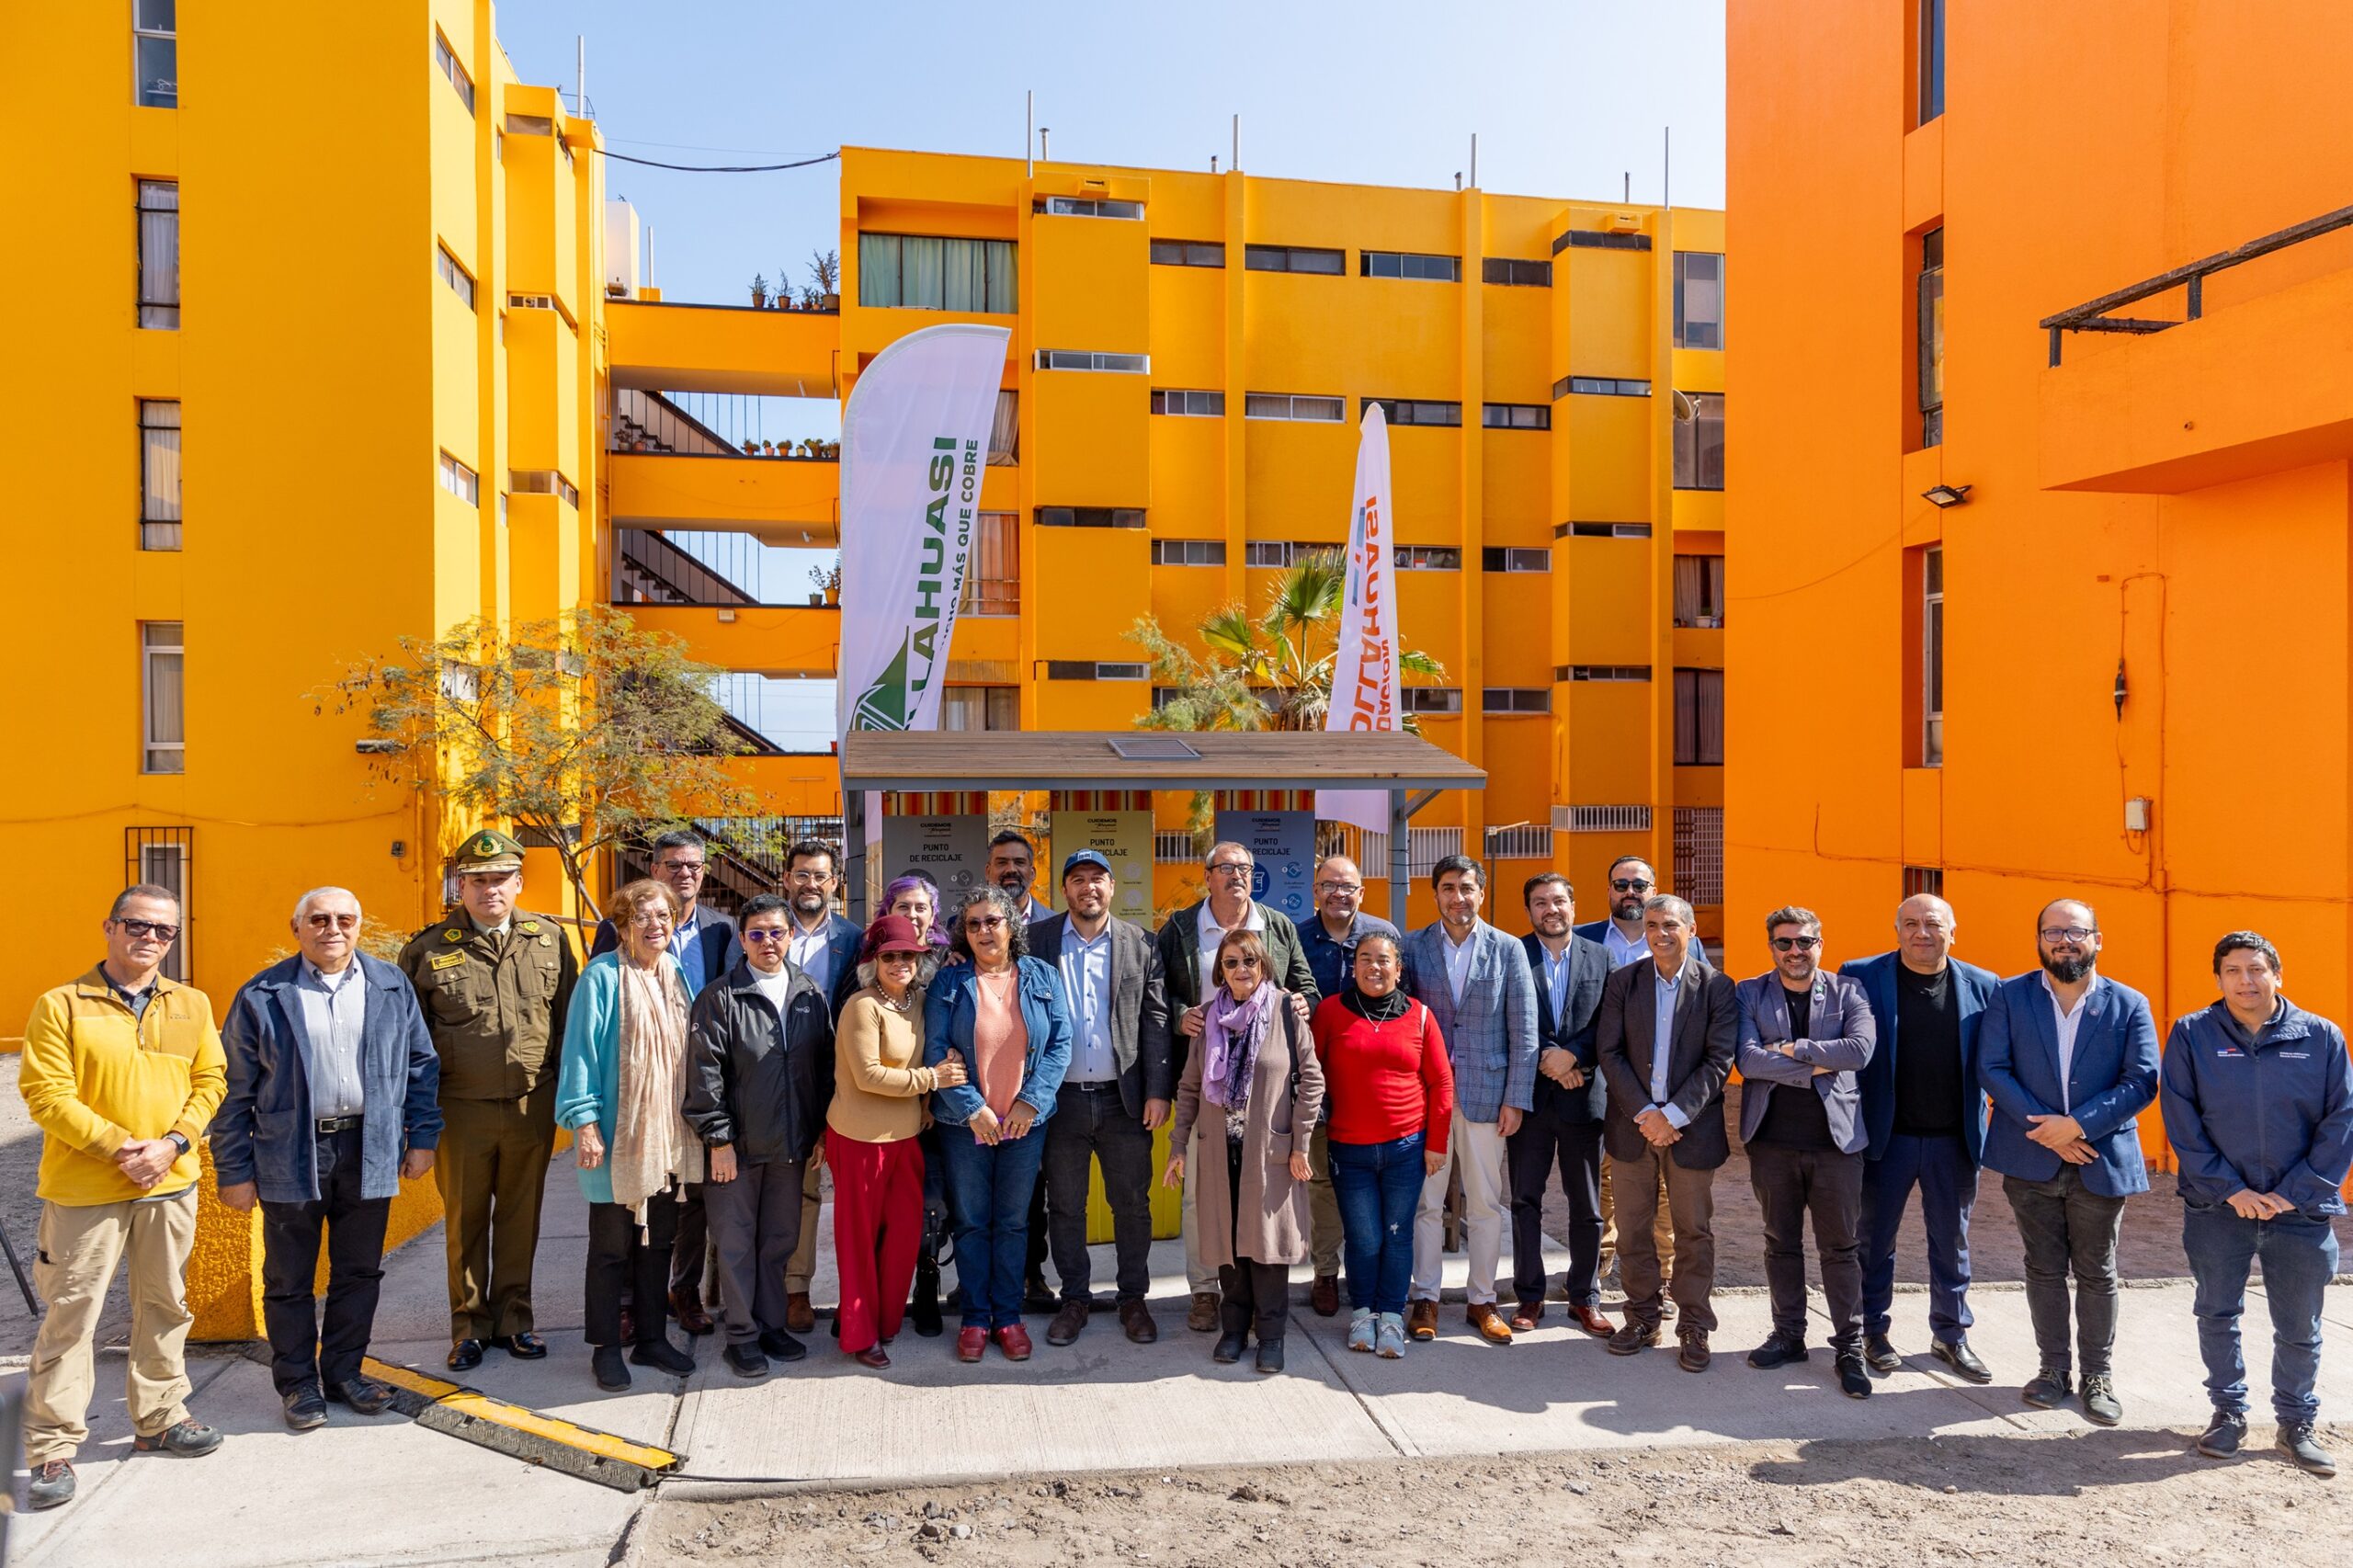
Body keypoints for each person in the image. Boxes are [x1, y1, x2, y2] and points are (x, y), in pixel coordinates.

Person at [18, 886, 227, 1510]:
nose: (150, 938)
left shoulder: (191, 1003)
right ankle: (53, 1446)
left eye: (164, 930)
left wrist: (172, 1143)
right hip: (85, 1192)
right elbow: (46, 1095)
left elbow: (210, 1080)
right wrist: (119, 1148)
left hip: (169, 1184)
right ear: (110, 927)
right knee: (71, 1316)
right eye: (137, 925)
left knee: (165, 1304)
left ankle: (160, 1419)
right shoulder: (61, 1004)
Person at [215, 887, 441, 1430]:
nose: (332, 928)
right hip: (290, 1152)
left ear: (360, 926)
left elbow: (421, 1065)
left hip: (370, 1146)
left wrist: (423, 1136)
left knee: (359, 1272)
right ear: (297, 927)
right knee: (289, 1278)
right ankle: (297, 1386)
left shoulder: (390, 984)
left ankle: (343, 1373)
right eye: (318, 919)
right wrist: (234, 1170)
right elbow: (234, 1089)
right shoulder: (262, 995)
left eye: (345, 918)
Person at [2160, 932, 2351, 1476]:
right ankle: (2228, 1413)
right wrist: (2231, 1190)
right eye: (2233, 971)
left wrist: (2293, 1193)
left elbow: (2342, 1121)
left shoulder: (2321, 1037)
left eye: (2256, 969)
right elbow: (2181, 1119)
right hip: (2217, 1209)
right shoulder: (2193, 1034)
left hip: (2302, 1213)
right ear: (2218, 979)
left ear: (2277, 974)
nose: (2246, 980)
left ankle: (2297, 1423)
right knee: (2217, 1313)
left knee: (2300, 1324)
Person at [397, 826, 579, 1372]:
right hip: (460, 1109)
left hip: (531, 1104)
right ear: (461, 885)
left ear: (519, 882)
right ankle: (470, 1326)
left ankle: (516, 1320)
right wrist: (417, 1123)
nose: (488, 890)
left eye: (499, 879)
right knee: (466, 1219)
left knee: (522, 1217)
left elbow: (569, 1026)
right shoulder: (427, 950)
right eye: (476, 880)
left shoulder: (549, 941)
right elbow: (410, 1044)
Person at [1977, 898, 2159, 1427]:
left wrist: (2076, 1126)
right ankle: (2053, 1370)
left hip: (2100, 1157)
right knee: (2042, 1267)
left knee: (2098, 1271)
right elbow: (1992, 1067)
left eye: (2075, 931)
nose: (2064, 940)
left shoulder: (2129, 1004)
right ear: (2038, 941)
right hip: (2029, 1157)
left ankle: (2097, 1376)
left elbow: (2142, 1080)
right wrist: (2048, 1132)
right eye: (2052, 932)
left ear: (2097, 940)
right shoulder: (2009, 997)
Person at [1154, 840, 1319, 1332]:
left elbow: (1304, 983)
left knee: (1259, 1198)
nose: (1237, 876)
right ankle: (1206, 1292)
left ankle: (1255, 1302)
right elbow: (1157, 989)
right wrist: (1183, 1014)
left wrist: (1304, 1004)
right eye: (1225, 868)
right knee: (1201, 1199)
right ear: (1207, 876)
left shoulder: (1278, 926)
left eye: (1244, 868)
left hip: (1266, 1086)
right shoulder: (1182, 927)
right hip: (1205, 1080)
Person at [1845, 892, 2000, 1383]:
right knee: (1873, 1241)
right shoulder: (1862, 975)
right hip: (1884, 1138)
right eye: (1910, 924)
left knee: (1951, 1242)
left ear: (1953, 931)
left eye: (1932, 924)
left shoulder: (1985, 985)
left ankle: (1951, 1335)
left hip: (1953, 1140)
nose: (1921, 933)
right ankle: (1871, 1330)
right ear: (1896, 930)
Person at [590, 831, 740, 1338]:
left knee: (690, 1197)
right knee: (639, 1194)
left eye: (694, 865)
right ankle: (633, 1302)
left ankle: (684, 1290)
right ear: (654, 869)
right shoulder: (615, 940)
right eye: (673, 864)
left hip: (698, 1082)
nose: (685, 873)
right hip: (639, 1087)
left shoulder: (723, 929)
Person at [557, 878, 705, 1391]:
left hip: (668, 1134)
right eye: (642, 917)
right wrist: (585, 1125)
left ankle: (651, 1339)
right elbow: (580, 1053)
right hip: (619, 1135)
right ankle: (604, 1347)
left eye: (663, 916)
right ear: (621, 926)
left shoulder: (676, 973)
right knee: (611, 1248)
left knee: (658, 1243)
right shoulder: (601, 977)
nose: (654, 925)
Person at [683, 892, 833, 1379]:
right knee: (736, 1244)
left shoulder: (809, 992)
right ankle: (742, 1335)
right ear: (742, 940)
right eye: (757, 933)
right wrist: (719, 1140)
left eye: (777, 932)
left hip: (791, 1149)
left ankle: (771, 1325)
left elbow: (824, 1070)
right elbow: (704, 1076)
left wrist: (819, 1133)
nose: (768, 942)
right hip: (738, 1150)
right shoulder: (720, 998)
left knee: (778, 1241)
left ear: (791, 936)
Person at [1029, 849, 1174, 1346]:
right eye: (1077, 879)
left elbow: (1156, 1019)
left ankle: (1133, 1297)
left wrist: (1158, 1091)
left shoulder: (1140, 943)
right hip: (1059, 1101)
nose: (1088, 887)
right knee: (1064, 1206)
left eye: (1097, 879)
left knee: (1131, 1203)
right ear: (1064, 889)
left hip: (1123, 1099)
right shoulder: (1037, 940)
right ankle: (1075, 1298)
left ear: (1111, 888)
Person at [923, 885, 1073, 1362]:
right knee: (971, 1224)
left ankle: (1007, 1317)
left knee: (1012, 1224)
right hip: (966, 1125)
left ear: (1012, 926)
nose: (985, 931)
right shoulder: (949, 984)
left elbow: (1060, 1044)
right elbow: (934, 1051)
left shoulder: (1041, 976)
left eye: (993, 921)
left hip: (1025, 1126)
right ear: (964, 934)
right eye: (974, 924)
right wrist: (974, 1109)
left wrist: (1030, 1102)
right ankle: (973, 1318)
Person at [1165, 928, 1325, 1374]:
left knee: (1267, 1247)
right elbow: (1191, 1086)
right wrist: (1178, 1146)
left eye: (1249, 962)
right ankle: (1234, 1328)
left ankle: (1270, 1335)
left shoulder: (1285, 1012)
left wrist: (1299, 1143)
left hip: (1269, 1153)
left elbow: (1312, 1081)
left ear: (1264, 966)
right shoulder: (1207, 1017)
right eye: (1231, 963)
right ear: (1221, 970)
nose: (1241, 970)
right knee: (1228, 1240)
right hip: (1219, 1151)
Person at [1733, 905, 1878, 1397]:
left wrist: (1793, 1051)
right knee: (1781, 1242)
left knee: (1840, 1248)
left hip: (1837, 1144)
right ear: (1771, 946)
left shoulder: (1848, 990)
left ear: (1820, 943)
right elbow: (1749, 1061)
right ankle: (1789, 1335)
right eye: (1784, 943)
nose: (1795, 951)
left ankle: (1849, 1347)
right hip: (1772, 1143)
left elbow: (1859, 1051)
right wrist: (1819, 1059)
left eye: (1804, 941)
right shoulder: (1750, 992)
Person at [1399, 855, 1538, 1345]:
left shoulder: (1507, 949)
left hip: (1487, 1092)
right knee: (1425, 1203)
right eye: (1449, 888)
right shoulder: (1411, 946)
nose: (1458, 897)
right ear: (1434, 893)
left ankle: (1482, 1300)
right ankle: (1426, 1298)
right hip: (1424, 1096)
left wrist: (1516, 1097)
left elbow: (1524, 1029)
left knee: (1484, 1202)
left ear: (1482, 893)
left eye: (1467, 888)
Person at [1596, 894, 1737, 1371]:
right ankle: (1641, 1318)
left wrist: (1672, 1116)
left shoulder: (1718, 988)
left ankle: (1694, 1324)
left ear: (1691, 931)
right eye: (1653, 924)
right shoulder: (1623, 982)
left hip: (1690, 1132)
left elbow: (1719, 1060)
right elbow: (1609, 1053)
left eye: (1671, 924)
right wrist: (1645, 1113)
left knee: (1692, 1233)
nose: (1660, 933)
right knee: (1634, 1230)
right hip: (1633, 1129)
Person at [831, 915, 968, 1367]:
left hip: (907, 1137)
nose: (899, 963)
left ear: (919, 959)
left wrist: (930, 1093)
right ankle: (859, 1333)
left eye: (907, 954)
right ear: (874, 962)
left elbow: (936, 1050)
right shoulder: (861, 1005)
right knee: (859, 1242)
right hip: (859, 1139)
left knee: (904, 1238)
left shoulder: (921, 1001)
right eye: (889, 955)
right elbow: (868, 1075)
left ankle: (886, 1321)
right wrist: (931, 1077)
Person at [1313, 931, 1452, 1358]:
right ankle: (1363, 1313)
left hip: (1407, 1148)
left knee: (1397, 1235)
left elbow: (1441, 1082)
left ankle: (1391, 1316)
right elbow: (1311, 1074)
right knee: (1363, 1238)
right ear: (1353, 967)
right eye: (1365, 959)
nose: (1375, 967)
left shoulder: (1421, 1017)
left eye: (1383, 959)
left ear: (1399, 967)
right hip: (1349, 1148)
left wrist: (1436, 1144)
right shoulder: (1331, 1013)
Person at [1511, 873, 1614, 1335]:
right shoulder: (1515, 954)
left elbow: (1610, 1024)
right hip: (1529, 1100)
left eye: (1558, 901)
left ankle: (1584, 1297)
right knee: (1524, 1201)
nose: (1550, 909)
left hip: (1583, 1097)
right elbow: (1507, 1019)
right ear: (1529, 910)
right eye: (1539, 902)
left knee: (1587, 1205)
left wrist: (1576, 1057)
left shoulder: (1603, 957)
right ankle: (1529, 1297)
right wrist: (1549, 1060)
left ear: (1573, 905)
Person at [1297, 854, 1398, 1316]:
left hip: (1369, 1084)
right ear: (1316, 889)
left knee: (1367, 1182)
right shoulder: (1296, 939)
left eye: (1348, 886)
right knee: (1321, 1184)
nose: (1339, 893)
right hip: (1314, 1082)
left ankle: (1370, 1273)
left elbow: (1403, 1005)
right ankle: (1324, 1273)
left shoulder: (1384, 937)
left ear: (1362, 892)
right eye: (1329, 884)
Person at [775, 838, 862, 1335]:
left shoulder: (852, 938)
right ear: (787, 879)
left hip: (838, 1075)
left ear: (835, 883)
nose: (811, 884)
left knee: (843, 1191)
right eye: (802, 874)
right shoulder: (767, 927)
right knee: (796, 1187)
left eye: (820, 876)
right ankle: (795, 1288)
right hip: (776, 1076)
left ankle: (856, 1292)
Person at [1574, 854, 1670, 1302]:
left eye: (1639, 884)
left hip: (1661, 1087)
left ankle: (1665, 1278)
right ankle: (1597, 1267)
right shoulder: (1582, 940)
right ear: (1608, 890)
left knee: (1664, 1187)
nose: (1630, 891)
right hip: (1598, 1083)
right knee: (1602, 1181)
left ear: (1654, 890)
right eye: (1621, 884)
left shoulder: (1673, 940)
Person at [881, 870, 952, 1336]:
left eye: (920, 907)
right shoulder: (875, 959)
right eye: (902, 907)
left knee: (933, 1204)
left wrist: (931, 1096)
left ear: (933, 914)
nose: (912, 915)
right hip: (886, 1103)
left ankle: (928, 1284)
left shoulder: (953, 961)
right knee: (883, 1206)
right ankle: (874, 1294)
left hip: (941, 1106)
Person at [987, 829, 1051, 926]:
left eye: (1019, 862)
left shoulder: (1056, 925)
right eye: (1002, 863)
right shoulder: (964, 925)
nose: (1011, 869)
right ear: (988, 872)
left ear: (1032, 873)